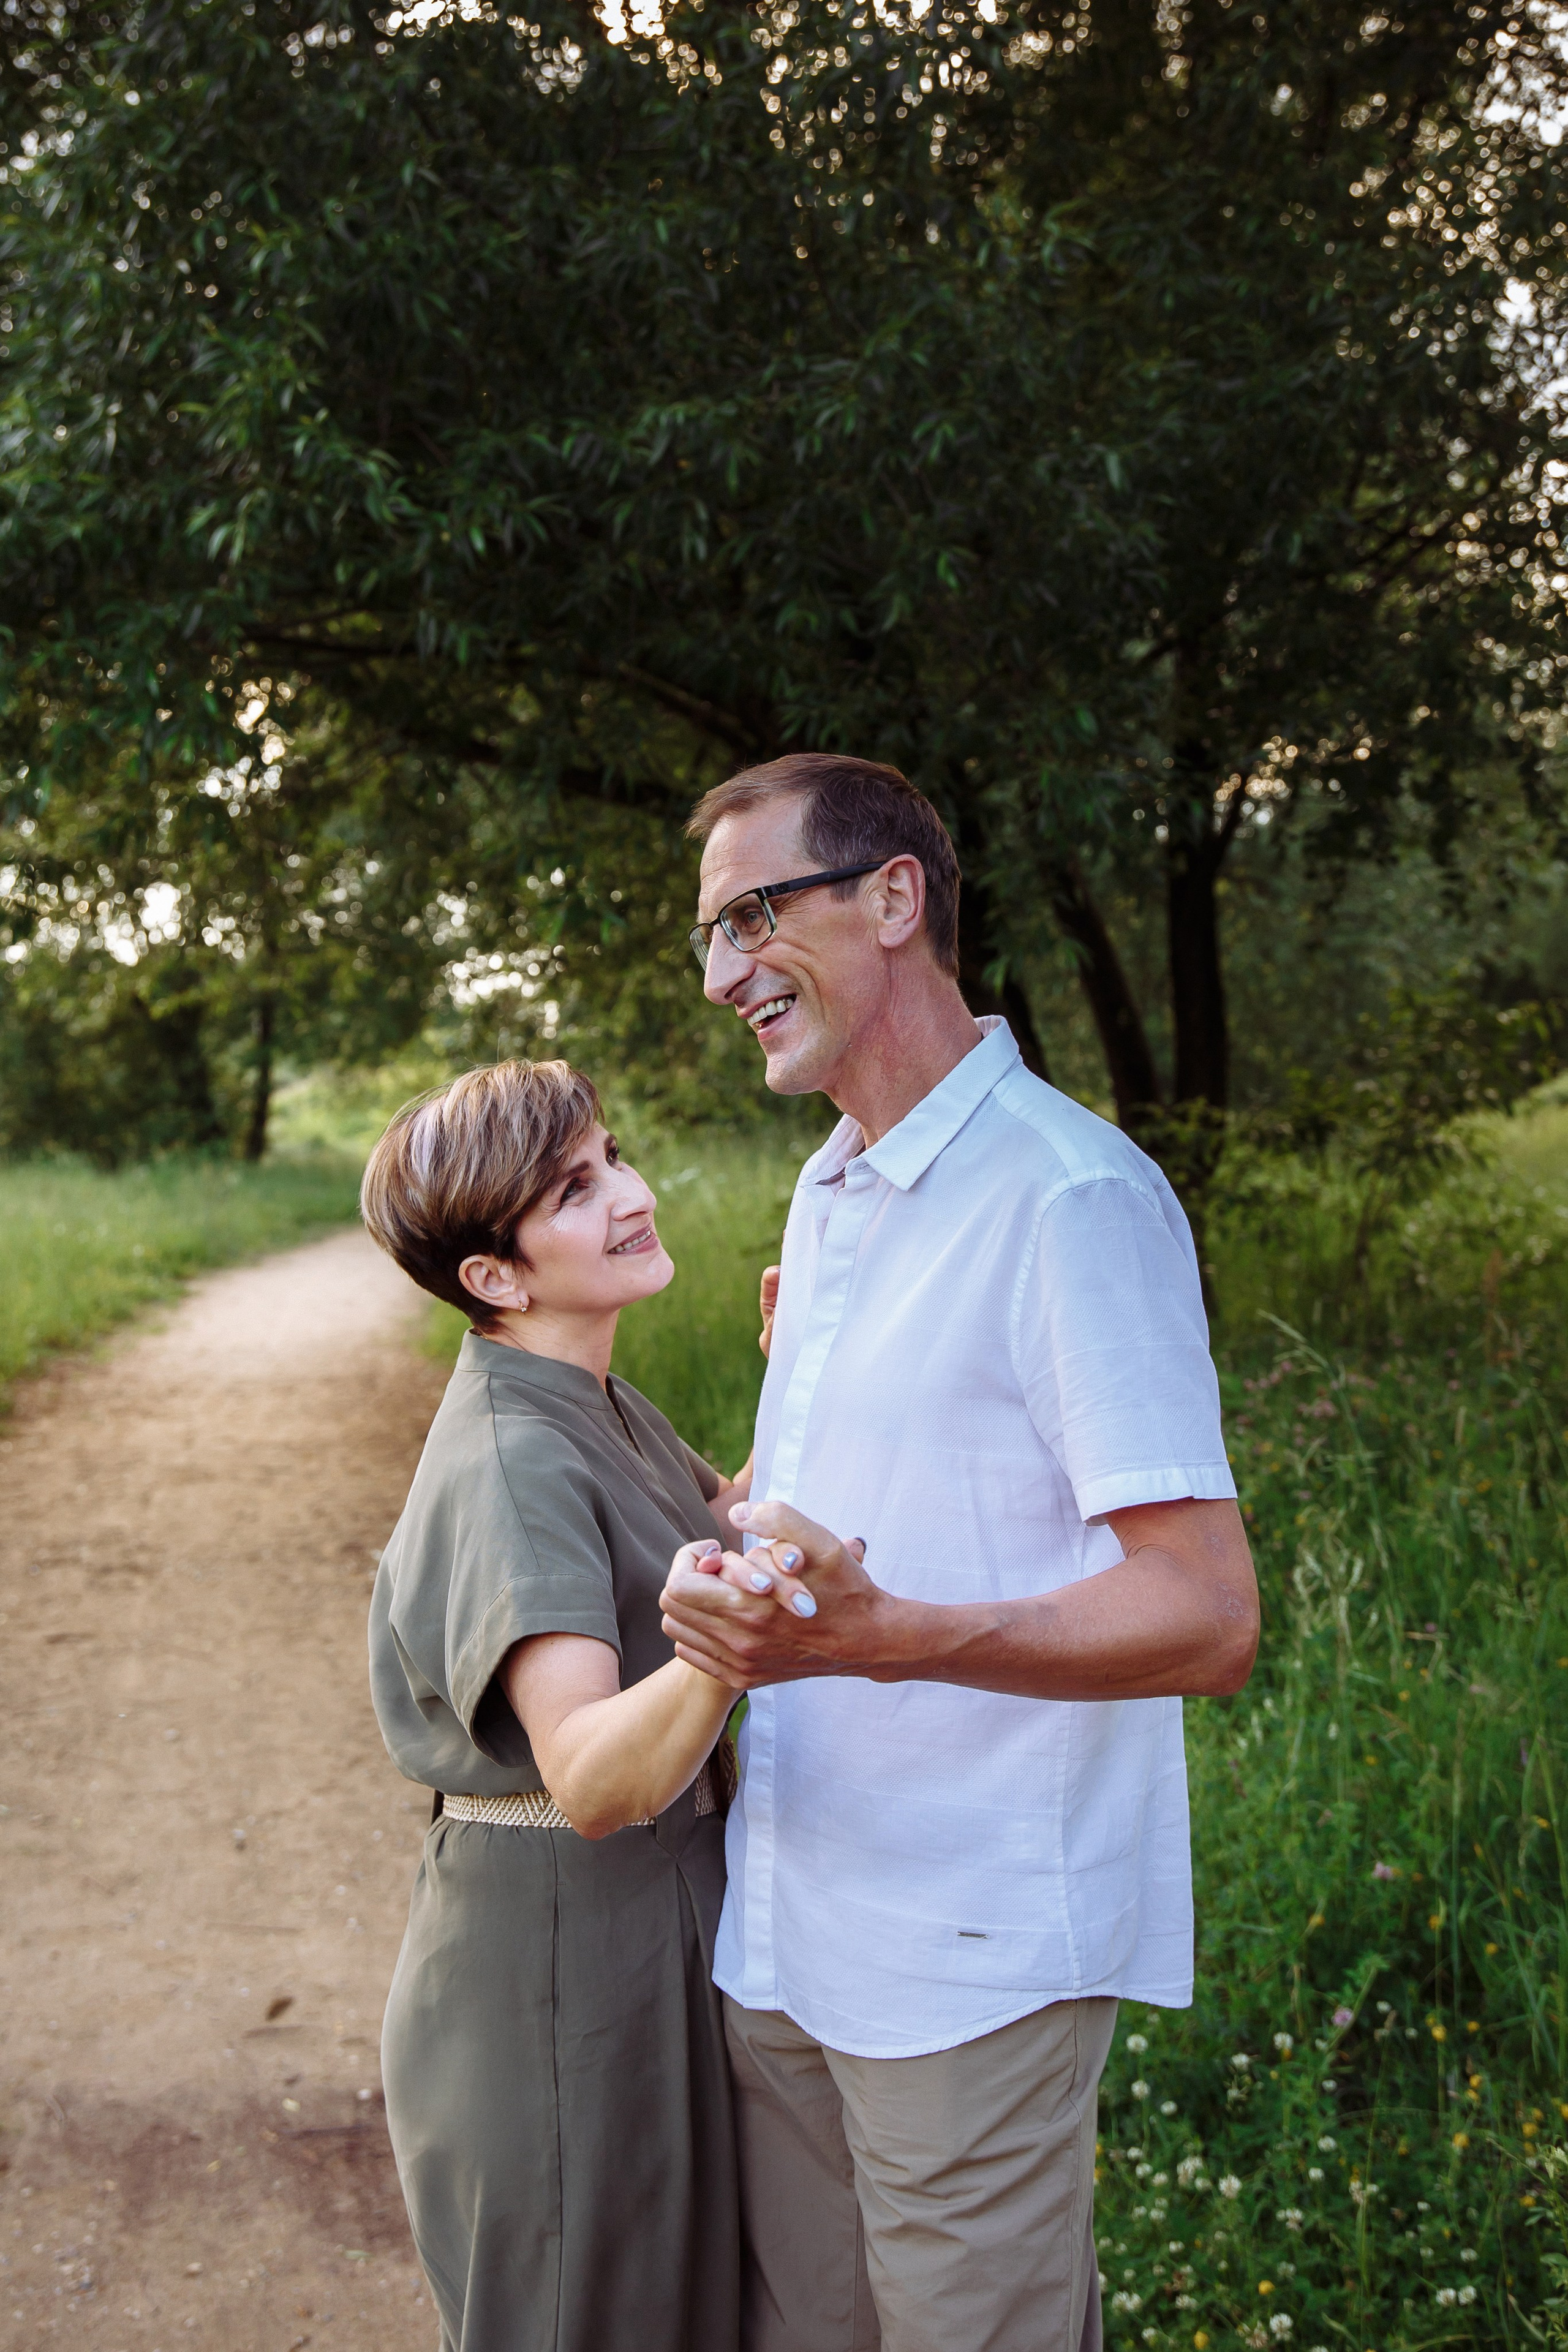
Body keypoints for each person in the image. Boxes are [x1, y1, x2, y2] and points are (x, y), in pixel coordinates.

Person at [660, 754, 1261, 2352]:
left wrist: (883, 1635)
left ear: (895, 899)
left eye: (753, 920)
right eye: (709, 941)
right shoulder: (831, 1186)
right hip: (783, 1931)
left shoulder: (1072, 1200)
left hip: (968, 1963)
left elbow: (1207, 1618)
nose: (722, 977)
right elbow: (860, 1511)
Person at [360, 1059, 748, 2352]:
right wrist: (722, 1652)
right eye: (576, 1191)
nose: (631, 1196)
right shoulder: (515, 1459)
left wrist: (826, 1361)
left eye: (613, 1158)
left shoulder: (583, 1394)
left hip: (636, 1935)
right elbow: (586, 1775)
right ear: (496, 1278)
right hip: (562, 1971)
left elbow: (721, 1524)